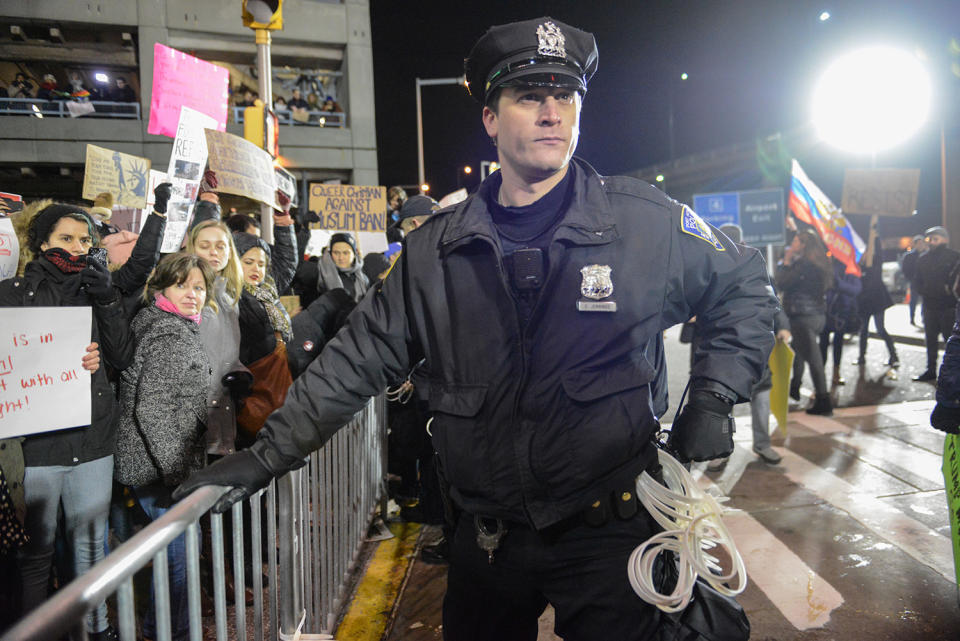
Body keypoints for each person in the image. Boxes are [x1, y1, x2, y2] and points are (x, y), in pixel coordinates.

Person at [174, 17, 776, 640]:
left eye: (564, 96)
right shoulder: (435, 254)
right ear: (490, 118)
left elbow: (744, 287)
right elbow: (353, 362)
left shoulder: (644, 223)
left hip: (612, 536)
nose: (552, 113)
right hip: (489, 543)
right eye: (529, 96)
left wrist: (713, 394)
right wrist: (265, 458)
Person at [0, 204, 133, 641]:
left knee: (91, 545)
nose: (77, 249)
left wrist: (109, 300)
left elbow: (122, 356)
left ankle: (96, 629)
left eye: (84, 240)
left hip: (93, 439)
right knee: (36, 553)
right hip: (35, 447)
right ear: (41, 242)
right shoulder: (11, 294)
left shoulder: (100, 290)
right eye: (66, 239)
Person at [115, 253, 214, 641]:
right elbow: (153, 406)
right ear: (161, 289)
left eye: (200, 287)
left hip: (154, 466)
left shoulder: (160, 322)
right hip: (160, 471)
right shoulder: (169, 335)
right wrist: (176, 474)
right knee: (180, 561)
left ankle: (167, 631)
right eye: (182, 286)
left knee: (175, 559)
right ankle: (174, 634)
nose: (192, 294)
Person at [778, 227, 834, 415]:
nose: (792, 244)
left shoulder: (802, 265)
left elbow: (782, 283)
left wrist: (786, 262)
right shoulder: (820, 263)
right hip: (818, 315)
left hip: (802, 316)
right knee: (802, 353)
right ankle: (796, 386)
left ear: (803, 245)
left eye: (795, 241)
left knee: (814, 359)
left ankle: (823, 400)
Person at [913, 226, 960, 382]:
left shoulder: (954, 257)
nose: (932, 242)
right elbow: (917, 280)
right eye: (930, 239)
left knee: (950, 341)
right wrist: (924, 291)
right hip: (929, 306)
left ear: (945, 240)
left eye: (935, 239)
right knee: (931, 341)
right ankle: (931, 370)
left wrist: (947, 291)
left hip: (948, 307)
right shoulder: (923, 259)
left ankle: (951, 374)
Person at [856, 234, 898, 368]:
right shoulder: (861, 264)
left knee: (880, 329)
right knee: (863, 331)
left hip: (877, 300)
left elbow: (878, 252)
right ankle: (861, 357)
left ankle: (893, 355)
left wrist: (873, 237)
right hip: (864, 301)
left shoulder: (876, 261)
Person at [819, 258, 861, 385]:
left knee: (837, 344)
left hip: (841, 314)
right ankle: (821, 375)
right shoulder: (827, 272)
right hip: (826, 313)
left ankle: (836, 373)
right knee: (823, 345)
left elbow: (856, 290)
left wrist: (838, 283)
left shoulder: (851, 274)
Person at [316, 232, 369, 302]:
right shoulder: (320, 273)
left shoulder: (364, 279)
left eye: (346, 253)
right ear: (330, 253)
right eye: (336, 253)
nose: (341, 257)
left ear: (354, 254)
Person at [901, 234, 927, 326]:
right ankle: (912, 318)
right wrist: (911, 278)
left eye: (922, 243)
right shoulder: (909, 256)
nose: (920, 245)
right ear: (915, 244)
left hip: (925, 282)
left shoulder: (927, 255)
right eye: (918, 243)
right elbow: (904, 269)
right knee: (913, 301)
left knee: (925, 301)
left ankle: (924, 318)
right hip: (914, 282)